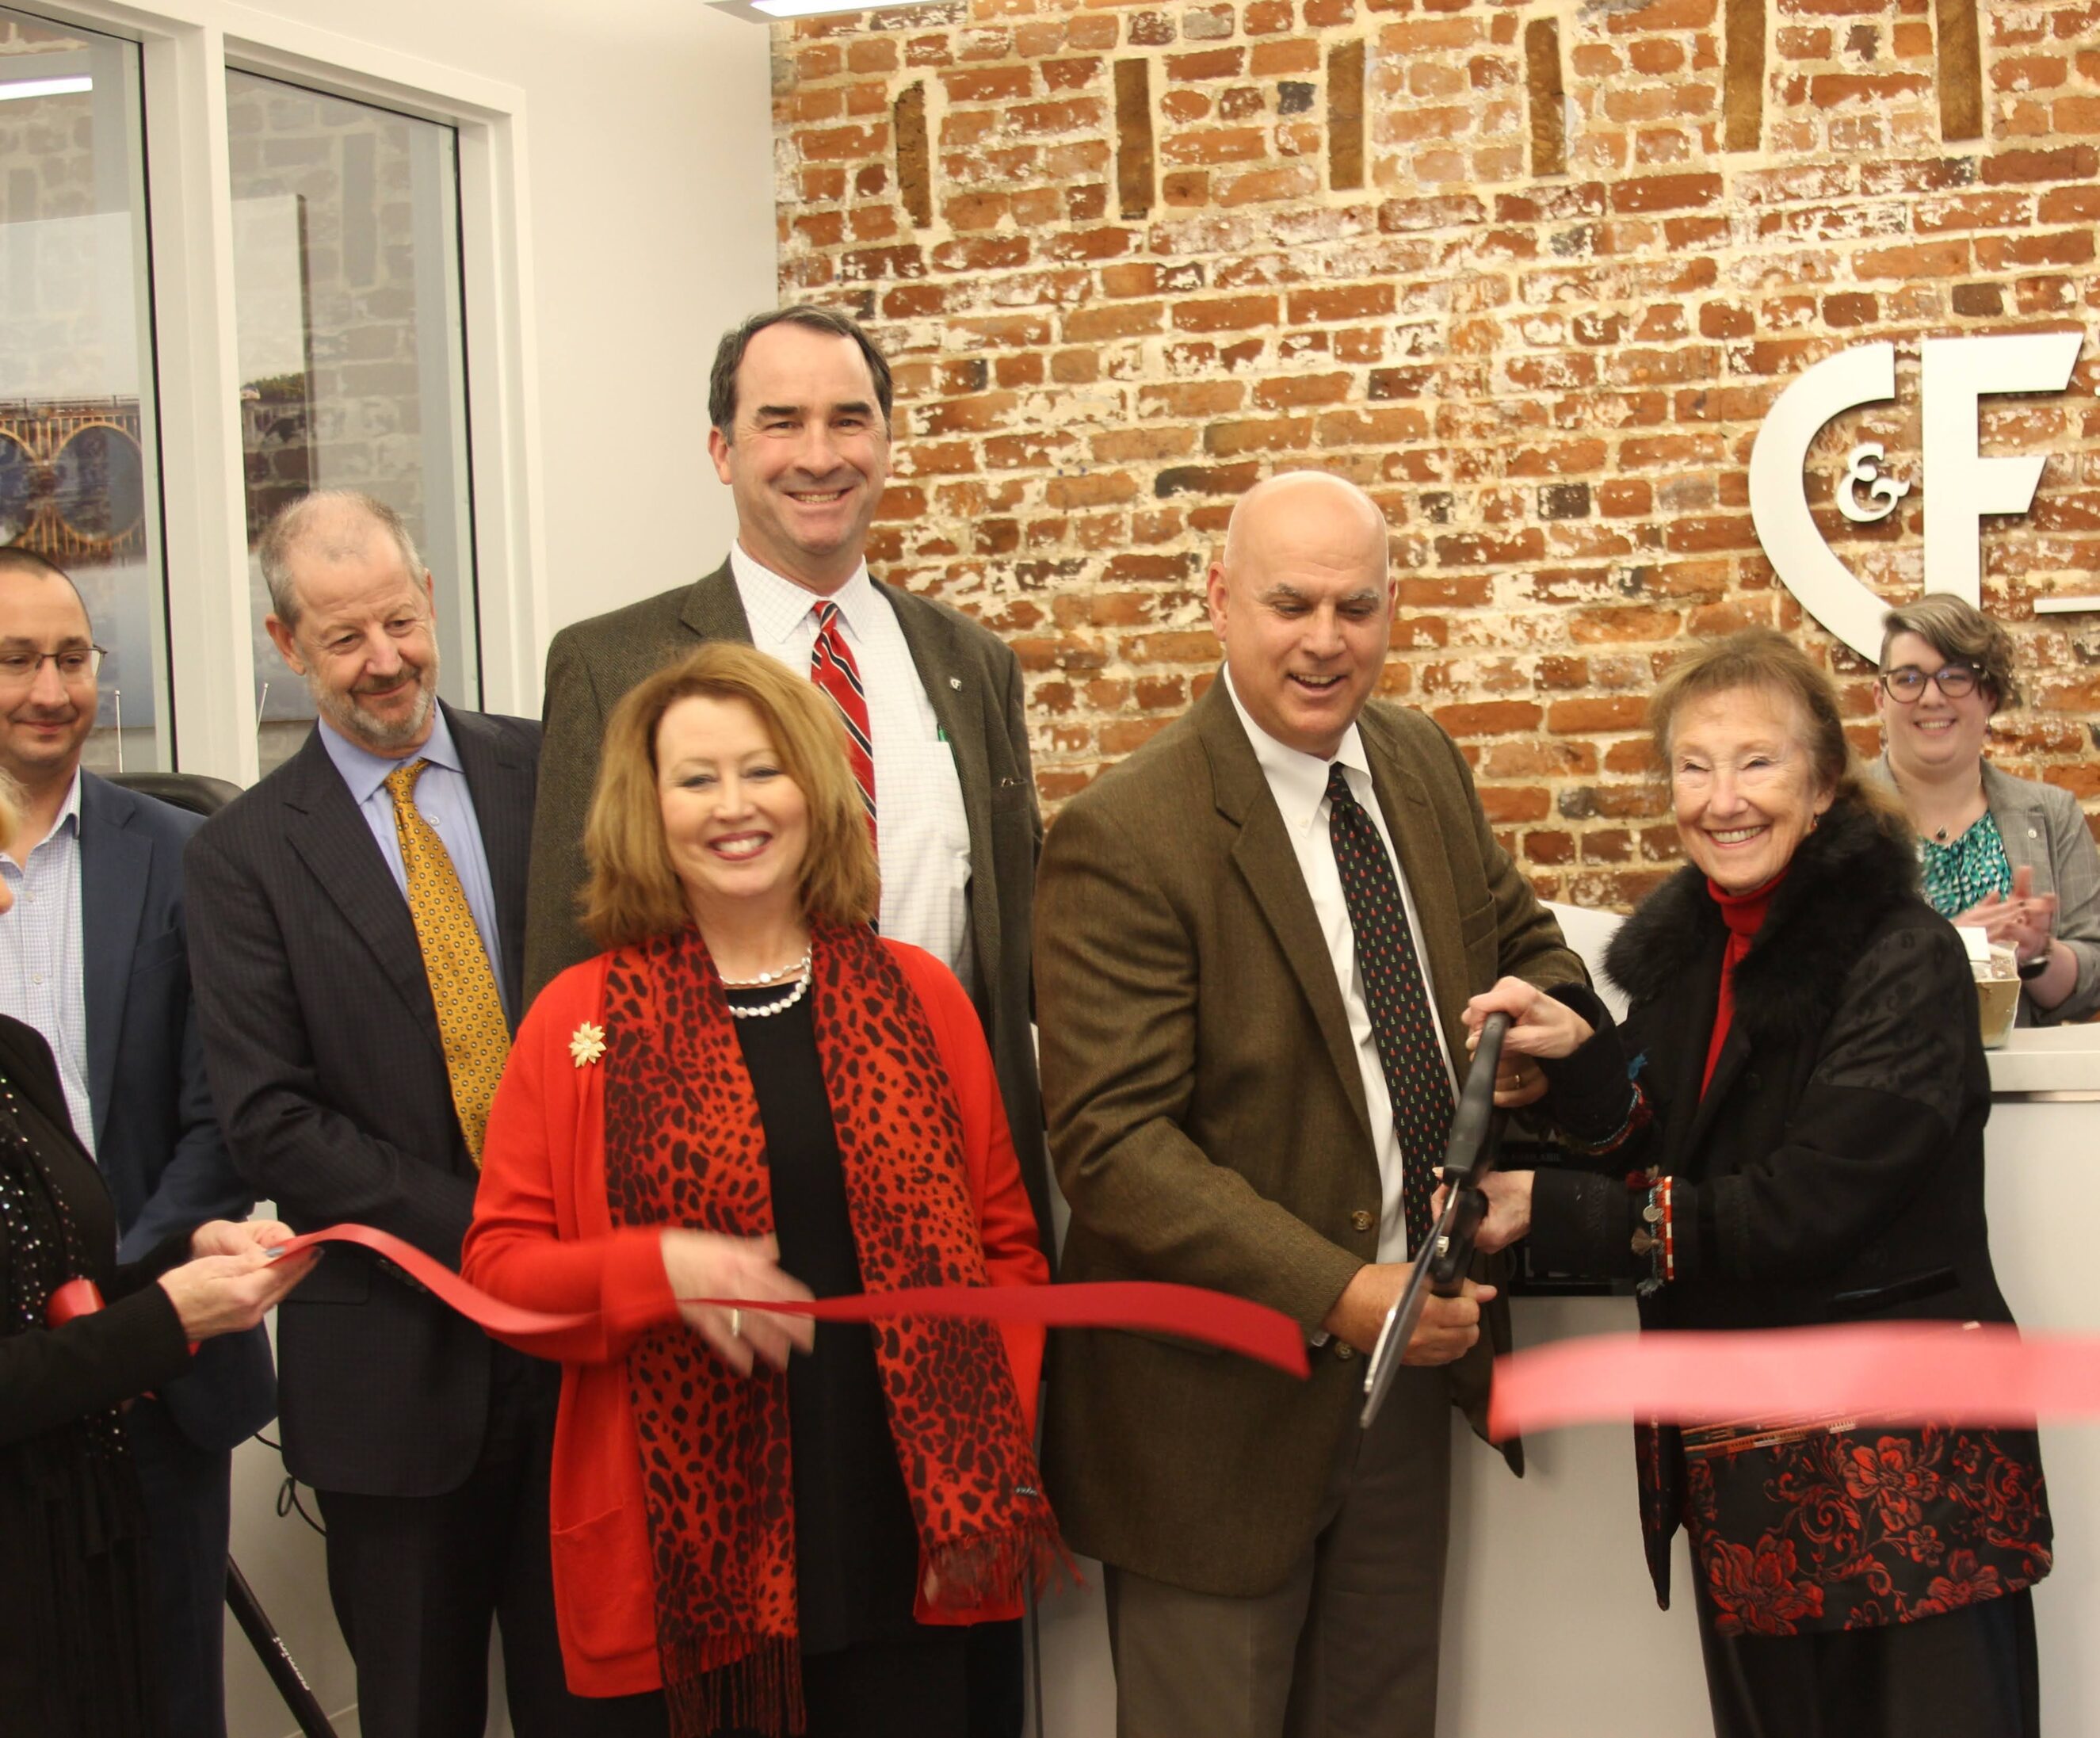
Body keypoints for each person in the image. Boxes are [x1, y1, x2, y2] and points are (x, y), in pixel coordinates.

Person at [525, 307, 1044, 1732]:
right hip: (695, 1313)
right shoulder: (613, 657)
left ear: (887, 439)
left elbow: (1009, 964)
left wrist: (993, 1368)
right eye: (780, 422)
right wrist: (645, 1254)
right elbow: (567, 974)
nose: (820, 456)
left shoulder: (967, 661)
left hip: (921, 1302)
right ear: (720, 447)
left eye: (849, 421)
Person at [1033, 470, 1583, 1738]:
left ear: (1394, 610)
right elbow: (1112, 1147)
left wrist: (1542, 1030)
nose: (1325, 639)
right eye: (1290, 603)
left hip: (1401, 1383)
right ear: (1220, 600)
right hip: (1209, 1420)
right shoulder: (1125, 831)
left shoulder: (1417, 760)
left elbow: (1531, 945)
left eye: (1356, 605)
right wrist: (1339, 1289)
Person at [464, 643, 1060, 1738]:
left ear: (814, 789)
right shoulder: (572, 1020)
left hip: (909, 1539)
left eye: (762, 769)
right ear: (648, 809)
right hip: (684, 1567)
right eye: (695, 779)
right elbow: (498, 1277)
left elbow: (1007, 1255)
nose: (732, 806)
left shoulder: (920, 997)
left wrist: (981, 1446)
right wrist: (656, 1268)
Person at [1466, 628, 2051, 1738]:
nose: (1720, 799)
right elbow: (1657, 1131)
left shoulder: (1901, 958)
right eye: (1693, 765)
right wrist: (1576, 1057)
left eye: (1756, 762)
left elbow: (1803, 1206)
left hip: (1906, 1486)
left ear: (1824, 784)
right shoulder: (1693, 960)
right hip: (1754, 1491)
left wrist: (1558, 1212)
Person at [185, 492, 618, 1737]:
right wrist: (500, 1228)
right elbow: (271, 1123)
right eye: (341, 639)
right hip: (389, 1380)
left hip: (582, 1367)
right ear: (285, 646)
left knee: (597, 1705)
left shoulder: (558, 771)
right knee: (416, 1709)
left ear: (430, 599)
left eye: (399, 620)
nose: (384, 660)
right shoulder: (241, 857)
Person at [0, 548, 273, 1738]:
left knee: (168, 1700)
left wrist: (122, 1307)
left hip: (164, 1365)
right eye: (15, 659)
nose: (49, 688)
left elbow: (226, 1114)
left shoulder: (181, 853)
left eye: (72, 658)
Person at [1869, 592, 2100, 1024]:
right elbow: (1811, 980)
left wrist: (2037, 955)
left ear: (1989, 696)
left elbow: (2091, 982)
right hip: (1879, 1085)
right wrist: (1950, 947)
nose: (1932, 698)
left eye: (1955, 676)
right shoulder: (1835, 817)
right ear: (1880, 698)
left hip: (2022, 1086)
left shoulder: (2054, 815)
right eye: (1909, 678)